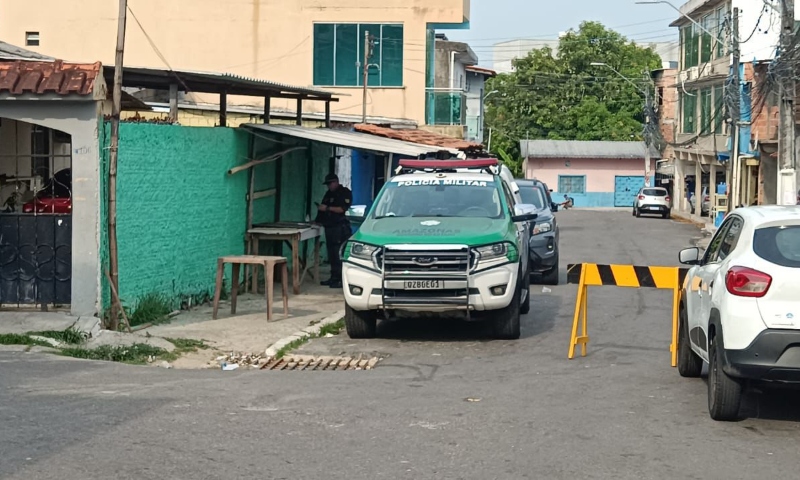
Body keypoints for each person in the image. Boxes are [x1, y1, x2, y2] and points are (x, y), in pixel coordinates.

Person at [315, 173, 352, 289]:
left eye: (330, 184)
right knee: (331, 254)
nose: (329, 186)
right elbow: (322, 208)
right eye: (328, 184)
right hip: (330, 227)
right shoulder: (328, 194)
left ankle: (341, 279)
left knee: (339, 254)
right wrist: (317, 221)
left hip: (340, 228)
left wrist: (326, 208)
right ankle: (334, 278)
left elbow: (342, 209)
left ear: (336, 182)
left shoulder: (344, 192)